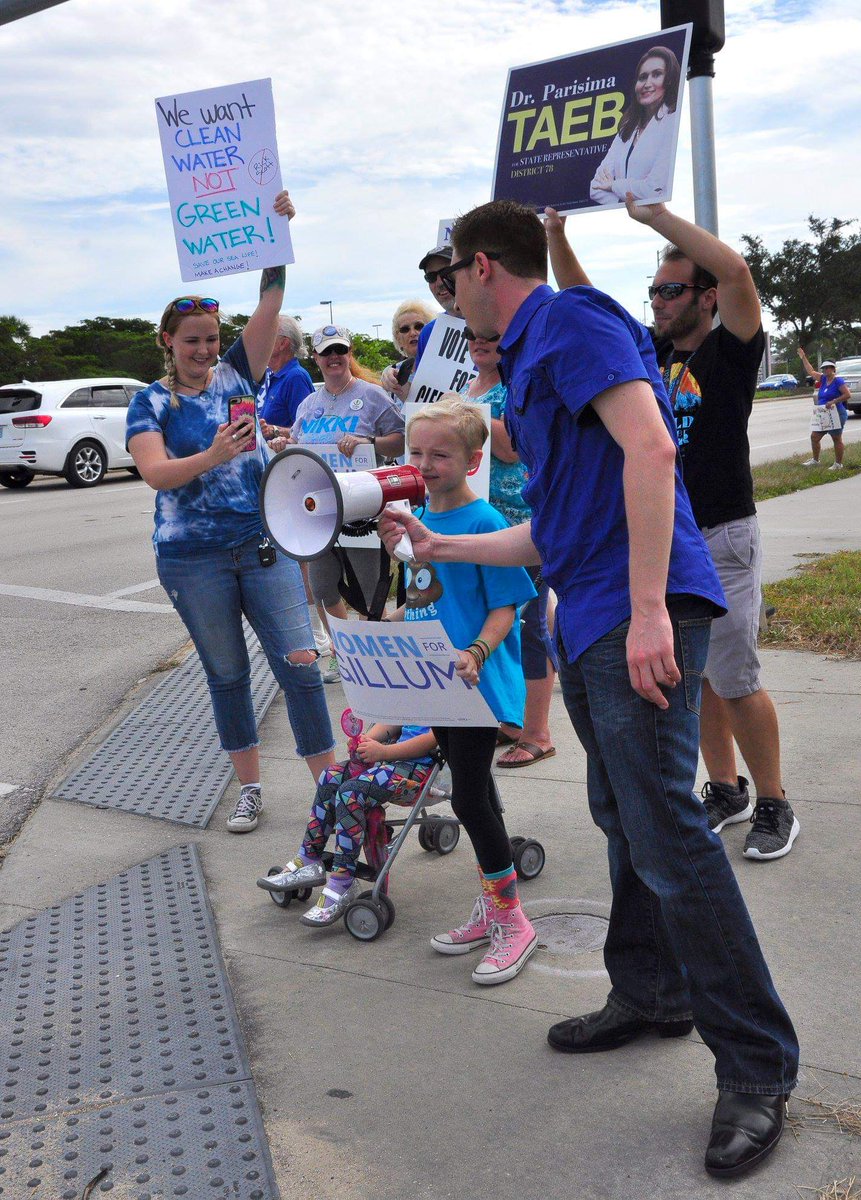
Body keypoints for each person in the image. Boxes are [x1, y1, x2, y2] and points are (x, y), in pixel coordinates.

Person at [378, 200, 799, 1178]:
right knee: (623, 811)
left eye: (452, 278)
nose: (446, 299)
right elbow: (549, 531)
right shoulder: (529, 356)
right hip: (594, 606)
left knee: (663, 825)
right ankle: (652, 994)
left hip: (635, 608)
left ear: (484, 267)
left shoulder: (569, 321)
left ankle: (757, 1063)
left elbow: (654, 448)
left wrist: (652, 605)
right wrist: (442, 543)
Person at [550, 199, 802, 864]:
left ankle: (774, 801)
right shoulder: (650, 349)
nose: (657, 302)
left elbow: (740, 273)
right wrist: (555, 233)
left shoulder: (732, 349)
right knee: (698, 678)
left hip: (723, 533)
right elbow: (581, 303)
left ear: (704, 296)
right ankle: (725, 789)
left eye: (669, 290)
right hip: (672, 540)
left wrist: (653, 218)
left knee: (735, 677)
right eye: (652, 290)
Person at [126, 192, 335, 834]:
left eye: (213, 339)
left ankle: (331, 791)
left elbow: (270, 299)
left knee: (300, 663)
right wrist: (215, 455)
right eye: (193, 340)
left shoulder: (238, 375)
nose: (205, 350)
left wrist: (275, 232)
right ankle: (249, 788)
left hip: (259, 540)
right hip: (192, 558)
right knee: (226, 675)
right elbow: (156, 473)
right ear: (168, 341)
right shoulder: (149, 403)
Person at [394, 397, 538, 984]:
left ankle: (514, 921)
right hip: (436, 686)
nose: (424, 463)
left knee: (469, 799)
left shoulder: (484, 524)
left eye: (440, 454)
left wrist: (476, 652)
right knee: (479, 795)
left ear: (474, 459)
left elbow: (506, 606)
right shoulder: (413, 521)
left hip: (476, 684)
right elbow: (424, 594)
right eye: (416, 452)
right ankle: (492, 903)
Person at [462, 327, 557, 768]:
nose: (478, 341)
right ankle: (509, 719)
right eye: (471, 335)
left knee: (531, 625)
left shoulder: (516, 387)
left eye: (490, 336)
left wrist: (468, 418)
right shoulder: (467, 388)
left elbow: (514, 450)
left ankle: (538, 731)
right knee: (493, 626)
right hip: (478, 525)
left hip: (519, 524)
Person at [257, 722, 437, 926]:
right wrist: (366, 741)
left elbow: (433, 738)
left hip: (422, 770)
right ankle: (309, 857)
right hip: (390, 762)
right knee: (330, 776)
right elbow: (394, 720)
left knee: (350, 794)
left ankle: (343, 879)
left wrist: (383, 751)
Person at [290, 325, 405, 631]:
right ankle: (341, 651)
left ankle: (373, 656)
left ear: (349, 353)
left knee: (369, 594)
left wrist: (371, 443)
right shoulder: (308, 404)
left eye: (340, 349)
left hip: (362, 511)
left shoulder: (372, 395)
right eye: (326, 351)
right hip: (318, 510)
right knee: (324, 588)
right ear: (315, 358)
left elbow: (403, 439)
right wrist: (281, 442)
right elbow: (295, 444)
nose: (334, 357)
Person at [589, 45, 681, 207]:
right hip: (626, 219)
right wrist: (633, 195)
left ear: (670, 79)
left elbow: (654, 191)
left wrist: (614, 186)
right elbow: (595, 188)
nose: (647, 83)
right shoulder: (627, 128)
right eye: (642, 77)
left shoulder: (671, 122)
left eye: (657, 74)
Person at [380, 243, 455, 402]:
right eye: (431, 277)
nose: (440, 282)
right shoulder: (429, 333)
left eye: (446, 271)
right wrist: (394, 380)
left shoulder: (491, 322)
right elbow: (422, 401)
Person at [257, 314, 313, 439]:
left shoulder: (296, 377)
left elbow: (307, 432)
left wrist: (275, 430)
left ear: (283, 343)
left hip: (289, 458)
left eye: (266, 336)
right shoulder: (276, 376)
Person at [798, 349, 850, 468]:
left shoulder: (838, 381)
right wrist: (803, 357)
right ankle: (815, 461)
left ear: (833, 368)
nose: (825, 370)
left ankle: (838, 464)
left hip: (837, 413)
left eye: (828, 368)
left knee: (836, 438)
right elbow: (811, 371)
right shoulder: (823, 379)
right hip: (823, 414)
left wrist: (834, 401)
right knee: (814, 437)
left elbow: (847, 395)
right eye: (824, 368)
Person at [387, 299, 437, 404]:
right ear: (398, 339)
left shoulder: (446, 368)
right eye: (405, 329)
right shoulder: (391, 374)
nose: (413, 333)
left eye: (419, 326)